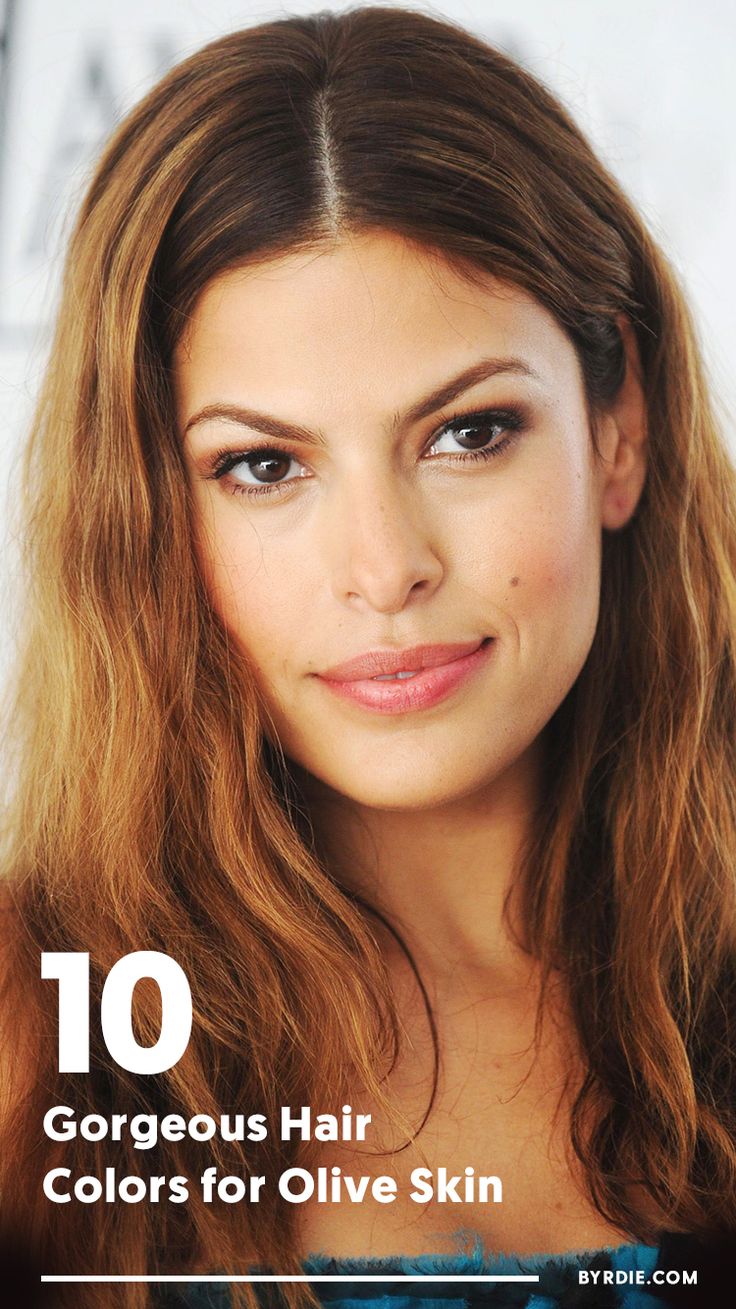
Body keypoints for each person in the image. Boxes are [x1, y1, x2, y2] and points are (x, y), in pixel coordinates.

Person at [1, 6, 734, 1308]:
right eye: (262, 465)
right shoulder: (33, 1027)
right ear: (145, 512)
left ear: (618, 427)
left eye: (467, 433)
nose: (384, 565)